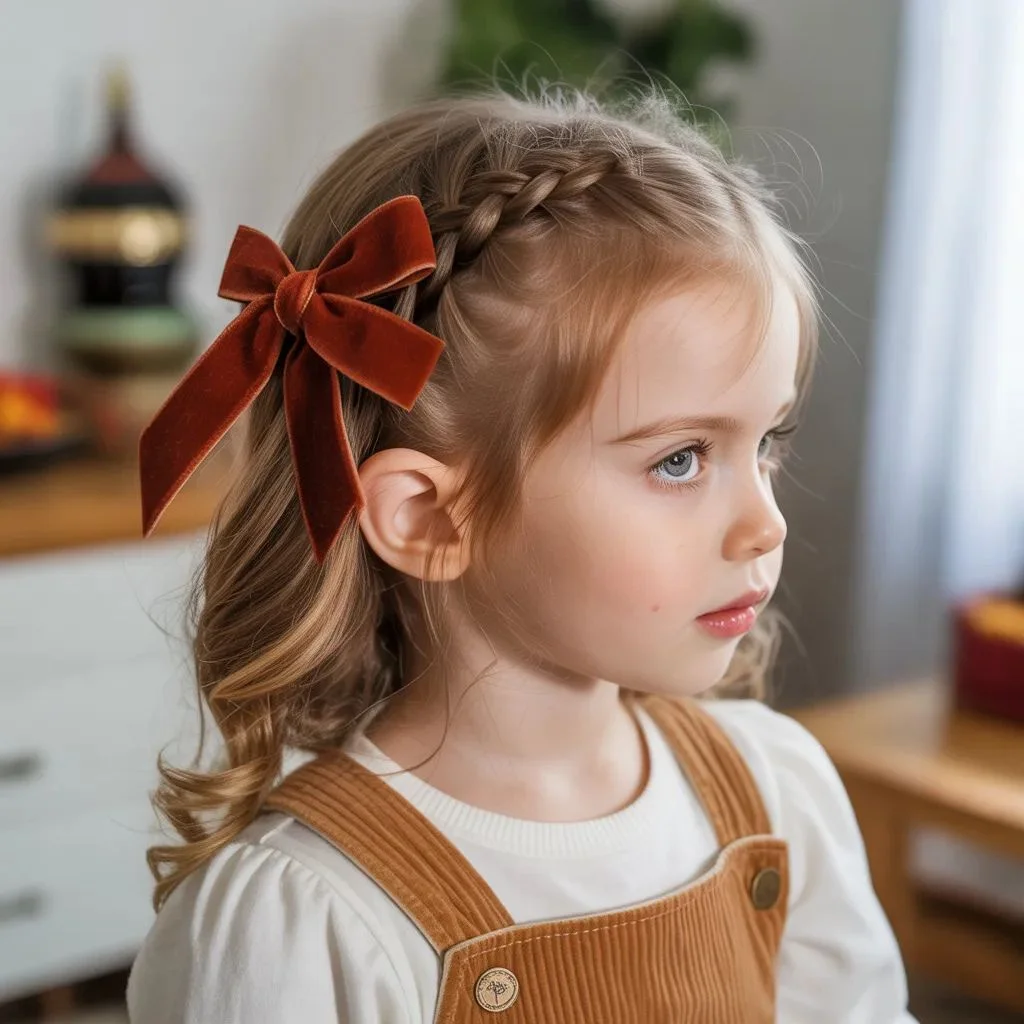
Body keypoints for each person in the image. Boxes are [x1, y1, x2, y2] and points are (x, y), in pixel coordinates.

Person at [126, 87, 917, 1023]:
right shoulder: (305, 919)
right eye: (679, 459)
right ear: (428, 518)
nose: (766, 523)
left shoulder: (775, 793)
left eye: (768, 442)